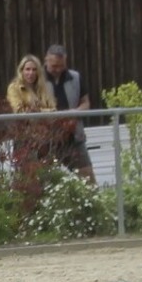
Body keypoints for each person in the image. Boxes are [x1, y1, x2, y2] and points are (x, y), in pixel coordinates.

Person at [44, 44, 96, 183]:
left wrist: (74, 112)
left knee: (88, 179)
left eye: (61, 66)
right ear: (46, 60)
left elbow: (86, 103)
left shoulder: (75, 77)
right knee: (42, 182)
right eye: (54, 66)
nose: (58, 70)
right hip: (46, 139)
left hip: (73, 137)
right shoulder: (37, 79)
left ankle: (92, 204)